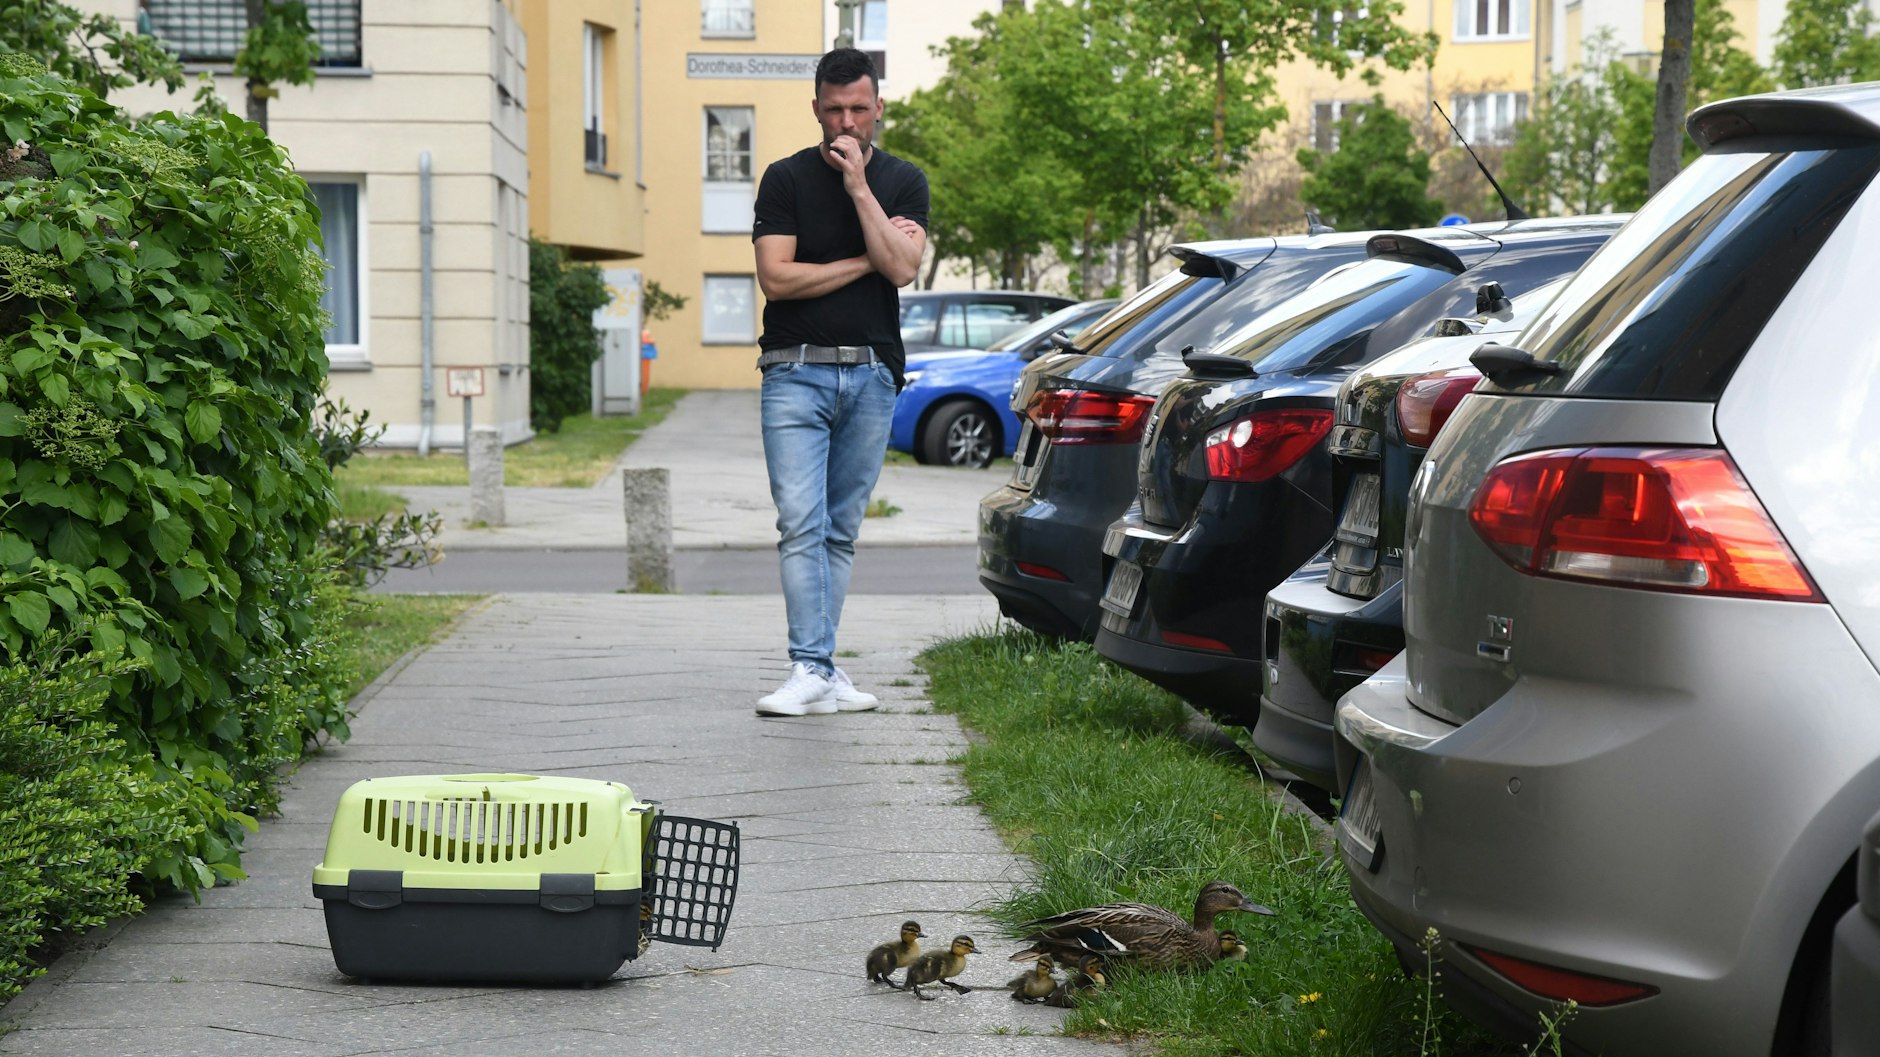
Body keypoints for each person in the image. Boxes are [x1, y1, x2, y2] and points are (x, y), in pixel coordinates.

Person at [750, 48, 928, 717]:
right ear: (816, 109)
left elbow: (904, 268)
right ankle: (811, 666)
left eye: (859, 108)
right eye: (834, 110)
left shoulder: (904, 181)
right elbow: (779, 278)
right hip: (794, 371)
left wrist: (859, 188)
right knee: (801, 523)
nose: (847, 122)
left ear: (879, 106)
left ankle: (821, 668)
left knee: (840, 531)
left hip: (873, 374)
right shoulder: (785, 179)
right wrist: (864, 261)